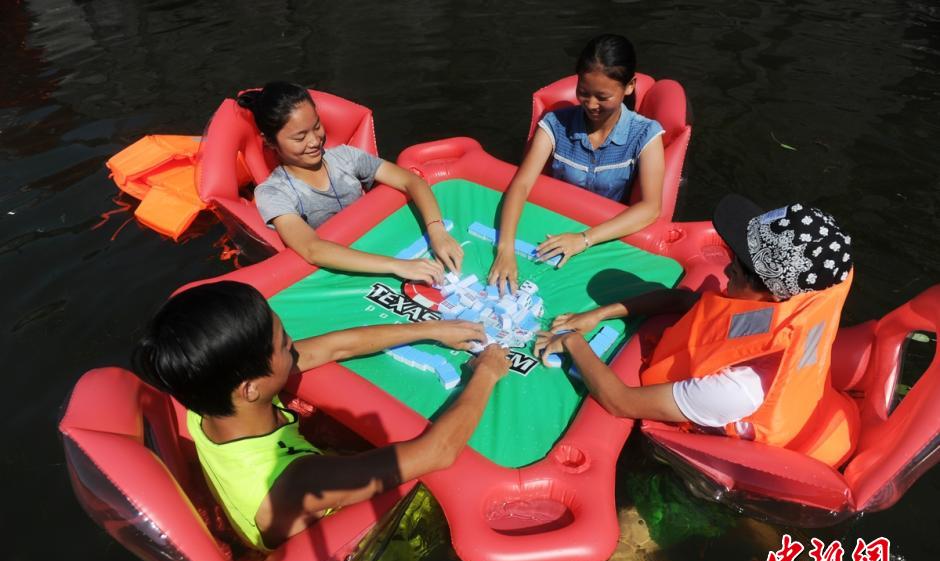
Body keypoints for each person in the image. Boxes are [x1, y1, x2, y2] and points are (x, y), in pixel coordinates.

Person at [132, 281, 509, 551]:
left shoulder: (208, 403)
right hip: (362, 556)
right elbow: (437, 452)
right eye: (283, 343)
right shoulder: (295, 479)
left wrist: (432, 329)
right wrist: (488, 372)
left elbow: (333, 347)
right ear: (250, 387)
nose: (294, 344)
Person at [535, 194, 858, 467]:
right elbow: (685, 302)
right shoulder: (783, 309)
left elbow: (621, 402)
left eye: (740, 267)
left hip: (782, 462)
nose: (728, 266)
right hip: (821, 410)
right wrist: (600, 313)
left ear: (773, 294)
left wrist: (573, 342)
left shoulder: (737, 389)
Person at [489, 34, 666, 293]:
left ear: (629, 87)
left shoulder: (646, 134)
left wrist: (584, 239)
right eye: (583, 93)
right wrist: (505, 249)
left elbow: (651, 207)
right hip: (551, 232)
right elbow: (522, 184)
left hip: (604, 239)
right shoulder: (554, 124)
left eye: (603, 97)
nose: (591, 105)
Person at [237, 82, 463, 285]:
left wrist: (437, 231)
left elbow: (411, 181)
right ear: (270, 141)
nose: (314, 141)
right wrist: (397, 265)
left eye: (317, 126)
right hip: (337, 272)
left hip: (376, 243)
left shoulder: (346, 158)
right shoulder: (274, 192)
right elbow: (312, 249)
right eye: (300, 137)